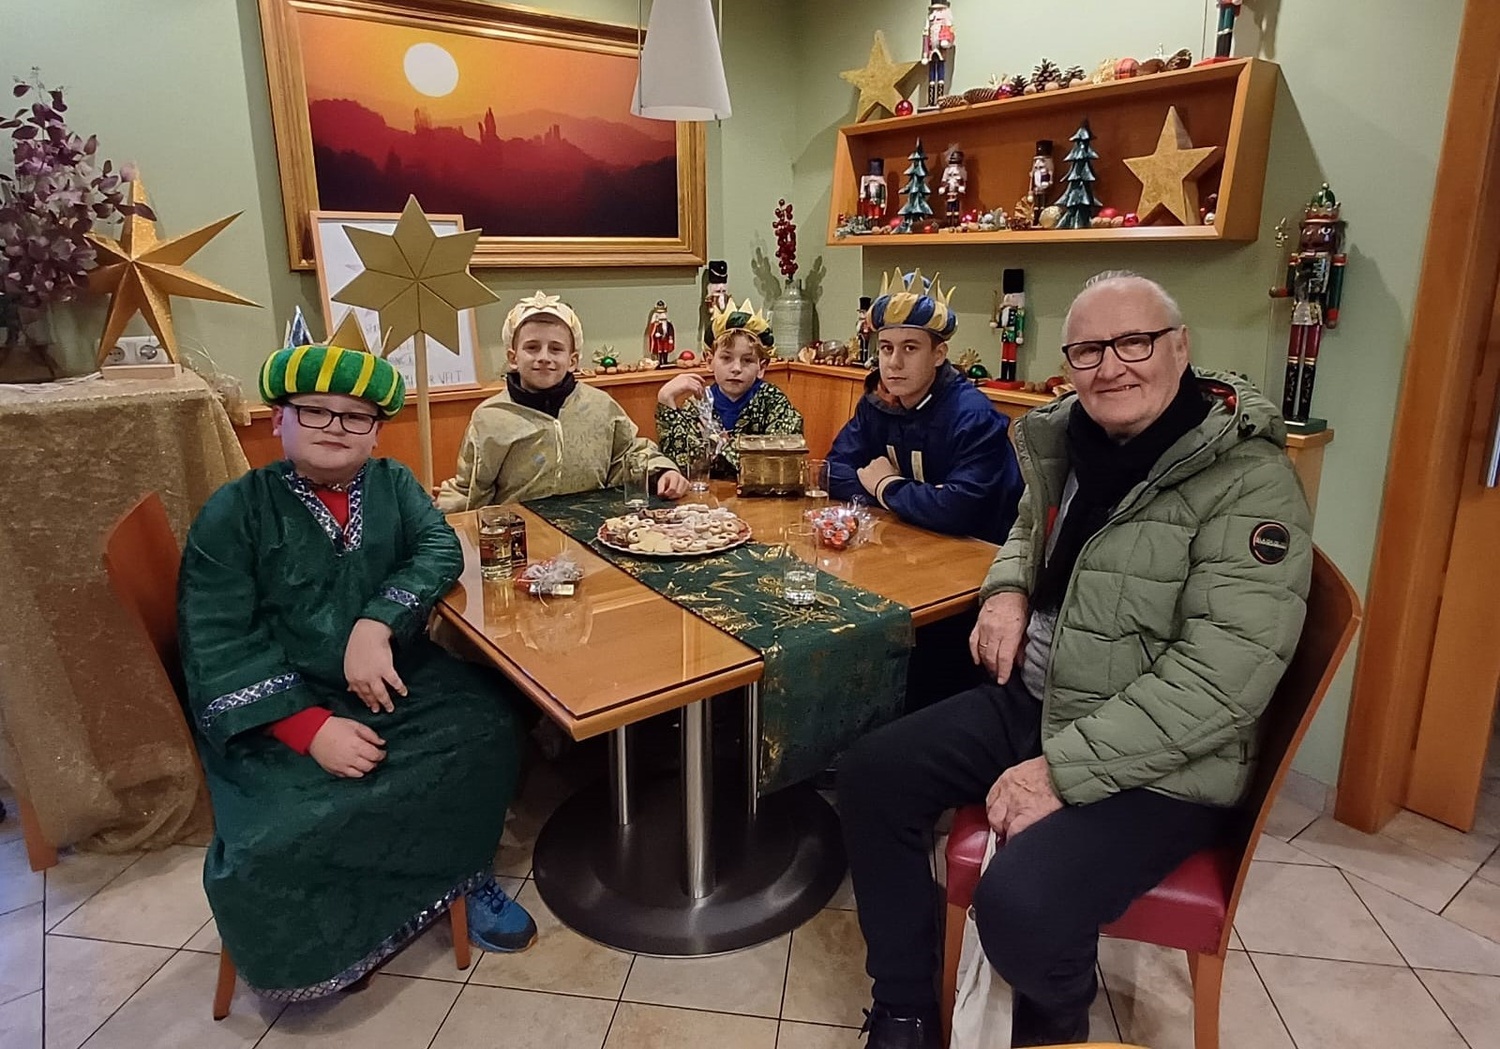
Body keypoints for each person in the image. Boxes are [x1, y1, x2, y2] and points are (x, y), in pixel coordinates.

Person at [838, 272, 1314, 1048]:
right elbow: (1027, 529)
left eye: (1135, 343)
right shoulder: (1071, 438)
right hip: (1043, 695)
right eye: (1088, 350)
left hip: (1164, 761)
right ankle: (905, 1004)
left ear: (1181, 348)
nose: (1111, 366)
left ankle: (1056, 1019)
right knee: (870, 774)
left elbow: (1222, 681)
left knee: (1021, 906)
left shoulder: (1250, 481)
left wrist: (1060, 772)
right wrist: (1006, 590)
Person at [178, 339, 536, 1003]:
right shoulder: (234, 511)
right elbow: (217, 638)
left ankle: (464, 874)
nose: (336, 427)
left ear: (375, 430)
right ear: (279, 419)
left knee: (490, 725)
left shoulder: (394, 484)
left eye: (356, 416)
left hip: (394, 678)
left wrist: (376, 623)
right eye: (315, 411)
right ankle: (344, 935)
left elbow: (439, 546)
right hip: (279, 702)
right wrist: (309, 729)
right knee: (278, 836)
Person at [437, 291, 689, 511]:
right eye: (532, 347)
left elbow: (630, 453)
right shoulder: (491, 417)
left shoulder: (600, 407)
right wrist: (436, 512)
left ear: (572, 360)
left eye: (556, 349)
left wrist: (662, 471)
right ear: (513, 358)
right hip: (522, 533)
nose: (544, 357)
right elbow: (472, 488)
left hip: (592, 526)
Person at [828, 269, 1022, 544]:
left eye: (910, 348)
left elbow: (958, 511)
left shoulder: (973, 416)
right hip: (906, 539)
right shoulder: (877, 403)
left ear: (938, 355)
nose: (894, 363)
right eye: (886, 348)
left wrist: (886, 485)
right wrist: (915, 500)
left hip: (978, 552)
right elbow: (833, 472)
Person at [655, 298, 804, 478]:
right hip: (709, 493)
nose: (736, 368)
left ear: (762, 367)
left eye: (747, 360)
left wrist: (720, 446)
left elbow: (777, 458)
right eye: (726, 358)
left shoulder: (773, 402)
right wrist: (665, 398)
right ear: (709, 361)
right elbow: (682, 465)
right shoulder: (698, 404)